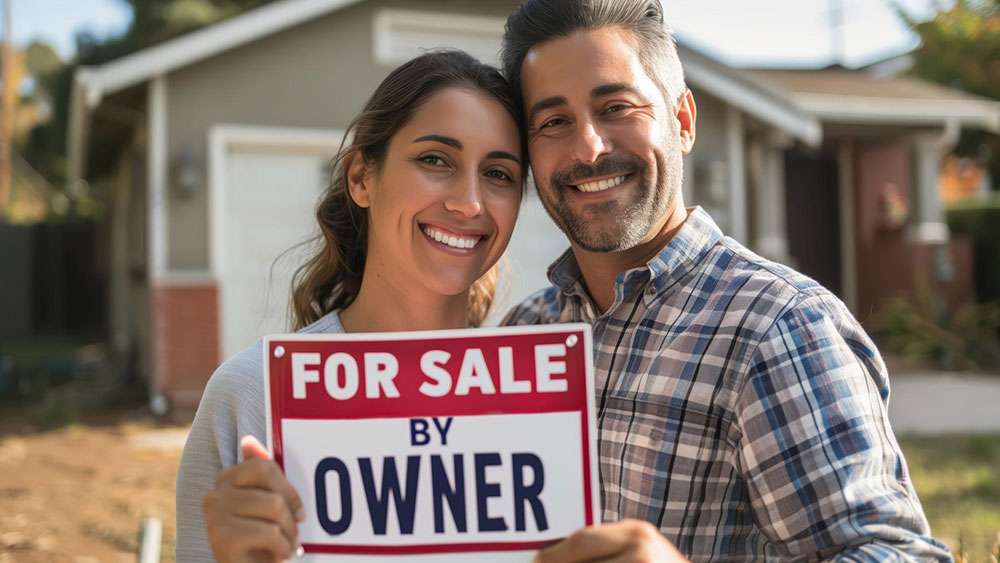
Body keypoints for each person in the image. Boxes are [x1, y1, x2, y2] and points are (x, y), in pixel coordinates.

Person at [497, 1, 952, 561]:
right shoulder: (525, 331)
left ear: (683, 121)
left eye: (616, 106)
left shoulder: (777, 327)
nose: (588, 147)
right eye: (553, 122)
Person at [174, 50, 526, 562]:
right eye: (435, 160)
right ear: (361, 177)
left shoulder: (539, 394)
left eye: (498, 173)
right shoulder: (251, 394)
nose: (470, 202)